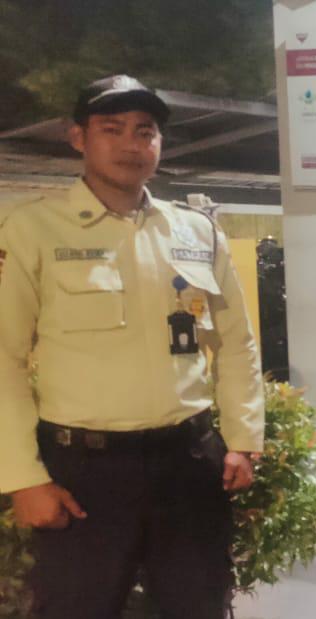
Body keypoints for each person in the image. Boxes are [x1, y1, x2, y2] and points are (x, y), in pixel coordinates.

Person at [0, 74, 266, 618]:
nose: (131, 144)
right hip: (84, 474)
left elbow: (235, 341)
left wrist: (242, 438)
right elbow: (3, 356)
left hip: (189, 465)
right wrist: (23, 478)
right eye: (112, 128)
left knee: (199, 609)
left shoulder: (195, 231)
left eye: (145, 131)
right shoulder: (33, 229)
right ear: (79, 137)